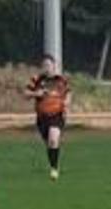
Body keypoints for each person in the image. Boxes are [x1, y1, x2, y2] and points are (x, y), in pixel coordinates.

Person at [24, 53, 71, 181]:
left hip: (56, 115)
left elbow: (68, 93)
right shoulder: (37, 80)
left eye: (49, 65)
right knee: (49, 144)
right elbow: (25, 93)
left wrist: (66, 104)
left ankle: (54, 169)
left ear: (54, 66)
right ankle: (53, 164)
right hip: (42, 117)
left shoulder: (61, 80)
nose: (47, 68)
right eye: (45, 65)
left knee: (53, 139)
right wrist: (36, 93)